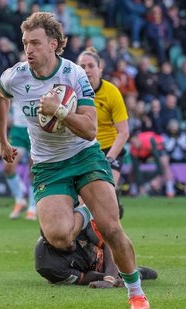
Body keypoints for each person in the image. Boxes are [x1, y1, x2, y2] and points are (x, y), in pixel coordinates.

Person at [0, 12, 150, 308]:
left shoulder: (74, 74)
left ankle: (136, 294)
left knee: (112, 228)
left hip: (84, 155)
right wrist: (3, 140)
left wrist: (60, 111)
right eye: (26, 43)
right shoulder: (16, 75)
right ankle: (87, 210)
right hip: (48, 165)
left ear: (53, 44)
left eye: (36, 43)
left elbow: (90, 128)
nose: (29, 49)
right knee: (58, 236)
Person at [35, 211, 158, 287]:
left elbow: (110, 244)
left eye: (71, 233)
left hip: (109, 258)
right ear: (49, 243)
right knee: (135, 274)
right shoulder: (49, 266)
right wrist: (106, 277)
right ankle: (128, 272)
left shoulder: (79, 224)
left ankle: (127, 270)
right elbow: (83, 277)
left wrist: (110, 277)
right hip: (92, 268)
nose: (70, 239)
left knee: (148, 274)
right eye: (62, 239)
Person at [77, 47, 129, 218]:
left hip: (109, 149)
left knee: (104, 196)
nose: (86, 70)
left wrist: (108, 159)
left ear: (100, 68)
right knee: (82, 202)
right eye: (82, 66)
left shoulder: (112, 92)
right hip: (84, 150)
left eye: (91, 65)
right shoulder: (72, 93)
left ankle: (113, 199)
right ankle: (87, 240)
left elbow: (123, 133)